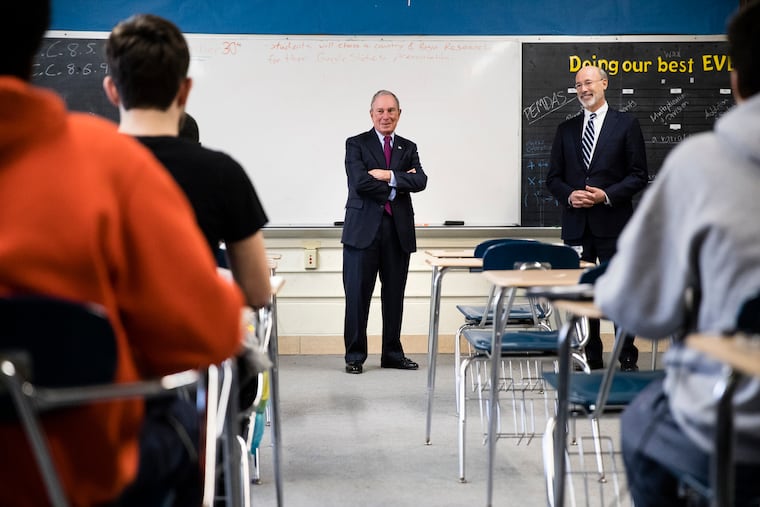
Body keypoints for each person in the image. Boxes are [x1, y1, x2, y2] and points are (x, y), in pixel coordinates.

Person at [0, 3, 246, 507]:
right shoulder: (111, 166)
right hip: (79, 477)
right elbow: (210, 334)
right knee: (197, 414)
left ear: (114, 89)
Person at [595, 2, 760, 505]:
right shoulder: (566, 131)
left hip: (736, 428)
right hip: (583, 223)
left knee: (641, 424)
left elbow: (640, 307)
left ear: (736, 78)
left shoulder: (700, 163)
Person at [103, 14, 271, 311]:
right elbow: (257, 293)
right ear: (184, 90)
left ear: (112, 90)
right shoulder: (223, 173)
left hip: (98, 351)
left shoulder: (78, 166)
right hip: (184, 347)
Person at [545, 65, 648, 371]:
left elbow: (638, 175)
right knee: (582, 293)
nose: (583, 89)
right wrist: (569, 194)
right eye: (578, 85)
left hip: (614, 223)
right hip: (577, 226)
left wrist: (605, 195)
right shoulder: (566, 129)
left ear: (604, 83)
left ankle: (626, 356)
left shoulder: (626, 124)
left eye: (588, 82)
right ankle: (590, 355)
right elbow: (553, 178)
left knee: (619, 292)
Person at [341, 90, 428, 374]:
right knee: (357, 297)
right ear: (371, 114)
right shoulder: (356, 144)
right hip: (362, 232)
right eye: (380, 111)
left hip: (397, 231)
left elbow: (421, 181)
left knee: (394, 296)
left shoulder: (408, 146)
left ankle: (392, 353)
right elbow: (359, 183)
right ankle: (355, 356)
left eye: (391, 111)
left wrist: (387, 175)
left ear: (399, 114)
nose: (385, 116)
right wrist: (398, 187)